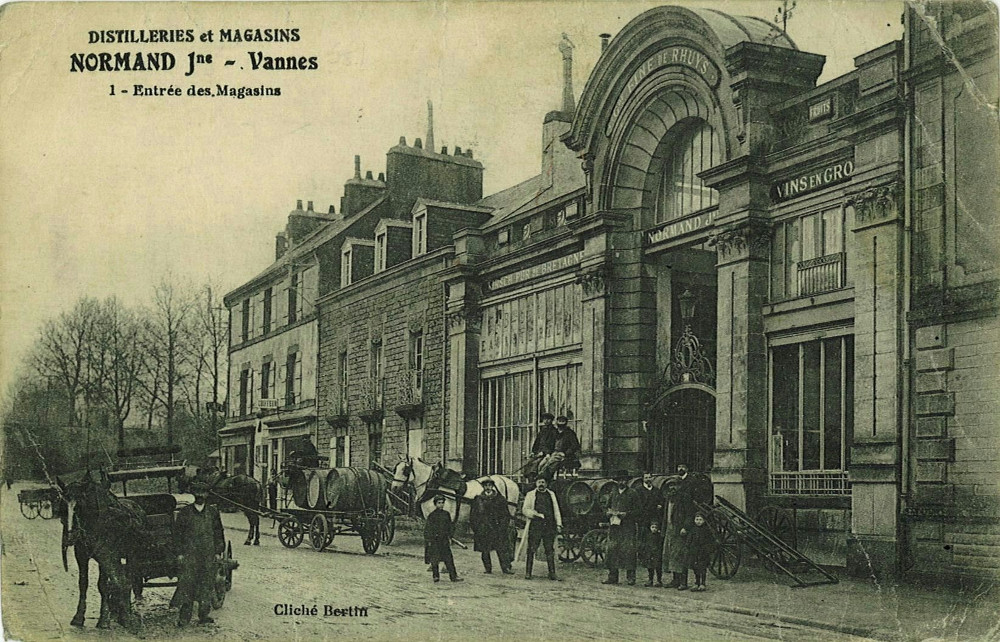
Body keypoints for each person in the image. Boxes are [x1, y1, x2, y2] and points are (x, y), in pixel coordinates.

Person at [171, 482, 225, 626]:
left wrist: (218, 552)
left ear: (207, 495)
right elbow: (177, 535)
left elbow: (219, 532)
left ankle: (203, 616)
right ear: (193, 494)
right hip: (190, 555)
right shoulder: (185, 513)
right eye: (198, 492)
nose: (201, 495)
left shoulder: (212, 513)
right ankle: (184, 618)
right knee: (187, 585)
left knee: (206, 585)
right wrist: (180, 553)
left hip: (208, 554)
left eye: (204, 492)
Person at [517, 476, 562, 581]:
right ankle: (528, 572)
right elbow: (525, 509)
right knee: (531, 549)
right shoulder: (531, 494)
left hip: (549, 525)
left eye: (543, 482)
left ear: (546, 484)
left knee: (549, 549)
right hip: (536, 525)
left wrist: (559, 524)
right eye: (539, 482)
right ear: (536, 483)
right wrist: (535, 514)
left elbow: (556, 510)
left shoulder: (551, 494)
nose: (541, 484)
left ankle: (552, 573)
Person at [602, 470, 640, 585]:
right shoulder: (613, 493)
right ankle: (613, 576)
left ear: (627, 481)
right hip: (614, 527)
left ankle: (631, 576)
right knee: (612, 549)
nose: (622, 482)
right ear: (617, 481)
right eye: (620, 480)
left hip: (628, 527)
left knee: (629, 550)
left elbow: (639, 511)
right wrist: (607, 513)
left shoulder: (633, 493)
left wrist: (627, 514)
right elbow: (606, 507)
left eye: (624, 480)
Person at [662, 463, 696, 590]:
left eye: (674, 485)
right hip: (670, 530)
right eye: (670, 486)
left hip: (680, 530)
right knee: (671, 555)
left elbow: (689, 514)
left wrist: (685, 527)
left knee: (681, 556)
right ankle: (675, 580)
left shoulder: (684, 498)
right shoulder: (669, 499)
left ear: (679, 486)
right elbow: (666, 515)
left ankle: (683, 582)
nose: (672, 488)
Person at [470, 479, 513, 574]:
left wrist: (502, 527)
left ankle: (505, 568)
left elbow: (506, 515)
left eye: (490, 485)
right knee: (485, 550)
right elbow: (473, 515)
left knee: (501, 549)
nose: (488, 487)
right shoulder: (478, 499)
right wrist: (476, 528)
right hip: (483, 528)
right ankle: (488, 569)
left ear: (493, 486)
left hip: (497, 528)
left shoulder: (500, 499)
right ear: (483, 487)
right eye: (486, 486)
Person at [635, 471, 665, 587]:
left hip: (654, 524)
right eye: (646, 477)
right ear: (643, 478)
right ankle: (649, 577)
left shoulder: (657, 491)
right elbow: (639, 507)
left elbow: (661, 504)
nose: (648, 479)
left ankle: (658, 579)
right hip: (644, 523)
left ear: (652, 478)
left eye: (649, 477)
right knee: (646, 549)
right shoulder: (638, 491)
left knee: (656, 551)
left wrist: (659, 507)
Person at [424, 495, 462, 583]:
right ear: (435, 504)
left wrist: (450, 536)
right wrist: (429, 540)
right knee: (435, 559)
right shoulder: (432, 516)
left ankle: (453, 576)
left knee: (448, 559)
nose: (441, 505)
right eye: (439, 503)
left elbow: (450, 526)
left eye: (442, 503)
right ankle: (436, 576)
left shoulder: (446, 514)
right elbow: (428, 529)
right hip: (435, 541)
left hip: (444, 540)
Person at [537, 416, 581, 480]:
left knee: (550, 463)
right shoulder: (553, 433)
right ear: (556, 422)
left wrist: (565, 453)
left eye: (563, 421)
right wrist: (548, 453)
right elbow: (548, 444)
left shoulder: (570, 433)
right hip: (553, 453)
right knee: (541, 464)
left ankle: (544, 478)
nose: (561, 423)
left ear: (566, 423)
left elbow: (574, 446)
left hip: (564, 454)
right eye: (559, 421)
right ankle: (540, 477)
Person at [686, 512, 713, 592]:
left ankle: (703, 583)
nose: (698, 521)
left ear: (704, 521)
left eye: (700, 520)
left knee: (703, 568)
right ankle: (697, 582)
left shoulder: (706, 530)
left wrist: (708, 549)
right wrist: (688, 546)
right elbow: (689, 539)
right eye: (697, 519)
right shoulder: (693, 529)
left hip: (703, 552)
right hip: (694, 551)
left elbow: (710, 540)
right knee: (696, 568)